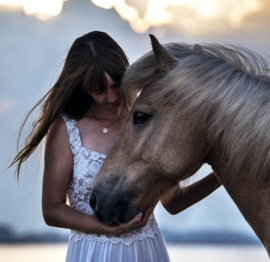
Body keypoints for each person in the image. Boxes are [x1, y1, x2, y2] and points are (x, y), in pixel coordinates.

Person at [9, 31, 221, 262]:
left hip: (146, 251)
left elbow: (174, 202)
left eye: (117, 84)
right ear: (84, 87)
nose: (112, 97)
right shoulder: (66, 129)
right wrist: (104, 228)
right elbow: (52, 210)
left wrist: (222, 172)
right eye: (99, 90)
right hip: (93, 253)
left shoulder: (141, 122)